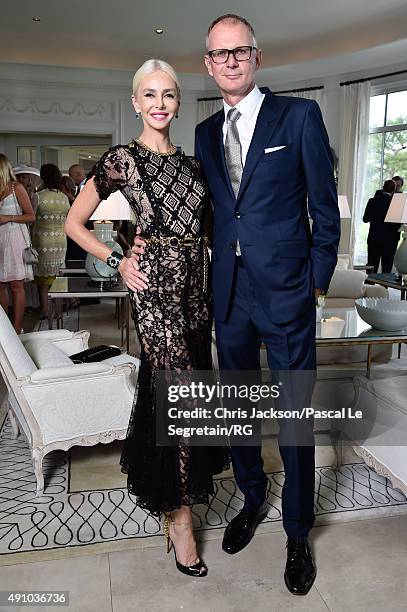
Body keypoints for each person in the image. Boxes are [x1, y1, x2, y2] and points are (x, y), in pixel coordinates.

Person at [133, 14, 340, 594]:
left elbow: (325, 211)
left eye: (239, 51)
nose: (230, 61)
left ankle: (298, 531)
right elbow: (197, 213)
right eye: (219, 54)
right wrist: (138, 246)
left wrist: (317, 286)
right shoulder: (200, 132)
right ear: (207, 63)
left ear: (257, 56)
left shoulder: (298, 116)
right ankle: (252, 498)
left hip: (289, 293)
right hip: (229, 296)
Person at [65, 59, 229, 578]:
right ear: (136, 102)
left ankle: (177, 499)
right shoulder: (122, 160)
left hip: (195, 285)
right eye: (150, 95)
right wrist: (118, 260)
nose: (160, 104)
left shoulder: (194, 163)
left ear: (178, 103)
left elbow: (211, 230)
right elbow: (75, 222)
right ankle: (179, 518)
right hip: (153, 283)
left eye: (169, 95)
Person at [0, 154, 35, 332]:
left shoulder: (16, 188)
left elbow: (31, 216)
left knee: (16, 285)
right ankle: (4, 330)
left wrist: (7, 218)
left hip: (13, 241)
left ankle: (17, 328)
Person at [32, 164, 70, 317]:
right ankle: (59, 311)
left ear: (42, 177)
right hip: (61, 240)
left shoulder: (38, 196)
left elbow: (31, 219)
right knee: (58, 276)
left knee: (43, 280)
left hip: (42, 241)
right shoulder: (63, 197)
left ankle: (46, 310)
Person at [363, 179, 399, 273]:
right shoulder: (396, 204)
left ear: (383, 188)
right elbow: (399, 224)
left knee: (371, 265)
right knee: (387, 267)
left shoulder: (372, 201)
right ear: (394, 190)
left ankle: (368, 286)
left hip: (374, 239)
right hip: (390, 241)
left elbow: (365, 219)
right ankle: (384, 287)